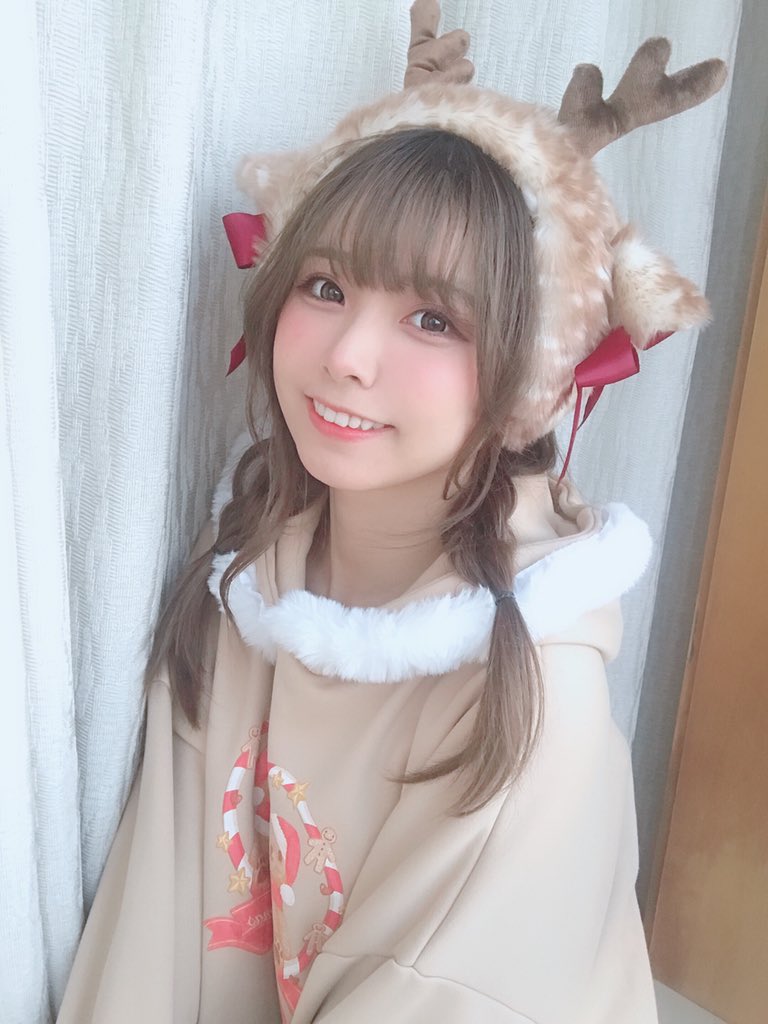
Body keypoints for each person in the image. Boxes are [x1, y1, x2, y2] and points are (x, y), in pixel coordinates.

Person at [57, 4, 726, 1022]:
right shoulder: (249, 576)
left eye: (431, 318)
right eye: (325, 286)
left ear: (528, 374)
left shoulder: (530, 684)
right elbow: (152, 928)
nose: (348, 357)